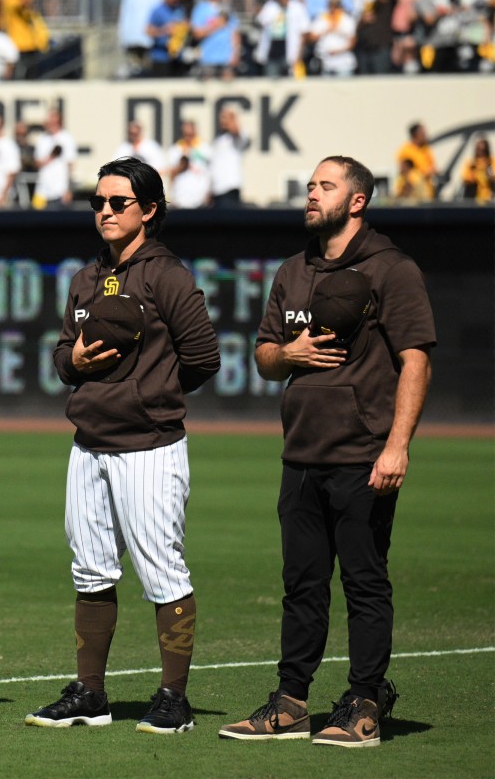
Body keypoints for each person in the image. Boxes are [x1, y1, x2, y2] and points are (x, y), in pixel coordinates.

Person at [220, 155, 434, 747]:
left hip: (364, 454)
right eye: (311, 185)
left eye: (326, 186)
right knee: (302, 584)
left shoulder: (392, 270)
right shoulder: (293, 270)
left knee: (364, 582)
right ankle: (291, 702)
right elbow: (265, 356)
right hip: (301, 455)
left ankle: (365, 702)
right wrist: (289, 354)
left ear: (357, 201)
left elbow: (415, 360)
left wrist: (397, 446)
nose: (312, 194)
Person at [25, 156, 219, 733]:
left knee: (163, 571)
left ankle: (173, 698)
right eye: (98, 203)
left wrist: (149, 393)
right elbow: (62, 356)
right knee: (90, 571)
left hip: (150, 447)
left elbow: (204, 357)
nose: (105, 212)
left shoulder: (169, 276)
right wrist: (75, 362)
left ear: (149, 211)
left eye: (118, 203)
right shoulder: (86, 279)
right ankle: (90, 693)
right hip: (88, 445)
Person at [253, 0, 311, 77]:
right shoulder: (270, 6)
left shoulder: (297, 7)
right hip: (272, 52)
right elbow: (260, 22)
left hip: (290, 52)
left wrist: (299, 54)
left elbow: (304, 32)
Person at [117, 0, 166, 77]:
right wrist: (122, 36)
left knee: (150, 72)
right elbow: (125, 14)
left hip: (153, 40)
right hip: (133, 39)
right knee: (135, 71)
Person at [33, 106, 78, 208]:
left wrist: (69, 189)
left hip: (59, 191)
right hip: (42, 191)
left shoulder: (67, 138)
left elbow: (70, 165)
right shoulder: (42, 139)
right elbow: (36, 163)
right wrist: (50, 157)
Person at [208, 107, 249, 207]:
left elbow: (237, 132)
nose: (223, 121)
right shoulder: (218, 140)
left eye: (226, 118)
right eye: (222, 118)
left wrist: (231, 118)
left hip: (229, 189)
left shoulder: (237, 139)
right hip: (216, 190)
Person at [395, 122, 437, 199]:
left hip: (427, 192)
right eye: (423, 134)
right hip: (412, 193)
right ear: (415, 135)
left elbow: (433, 167)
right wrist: (424, 173)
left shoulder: (426, 149)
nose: (425, 136)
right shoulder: (406, 150)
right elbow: (405, 172)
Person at [460, 137, 493, 202]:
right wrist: (475, 172)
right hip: (474, 199)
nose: (481, 153)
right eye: (479, 149)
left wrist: (488, 172)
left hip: (490, 199)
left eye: (484, 150)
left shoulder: (491, 162)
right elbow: (465, 179)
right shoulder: (470, 163)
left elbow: (493, 177)